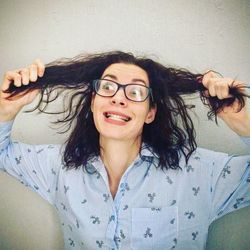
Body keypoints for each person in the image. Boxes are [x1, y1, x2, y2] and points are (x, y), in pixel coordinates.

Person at [0, 51, 249, 250]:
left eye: (136, 91)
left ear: (150, 113)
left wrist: (240, 121)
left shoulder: (198, 172)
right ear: (93, 102)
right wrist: (6, 109)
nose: (119, 98)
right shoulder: (59, 166)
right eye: (108, 87)